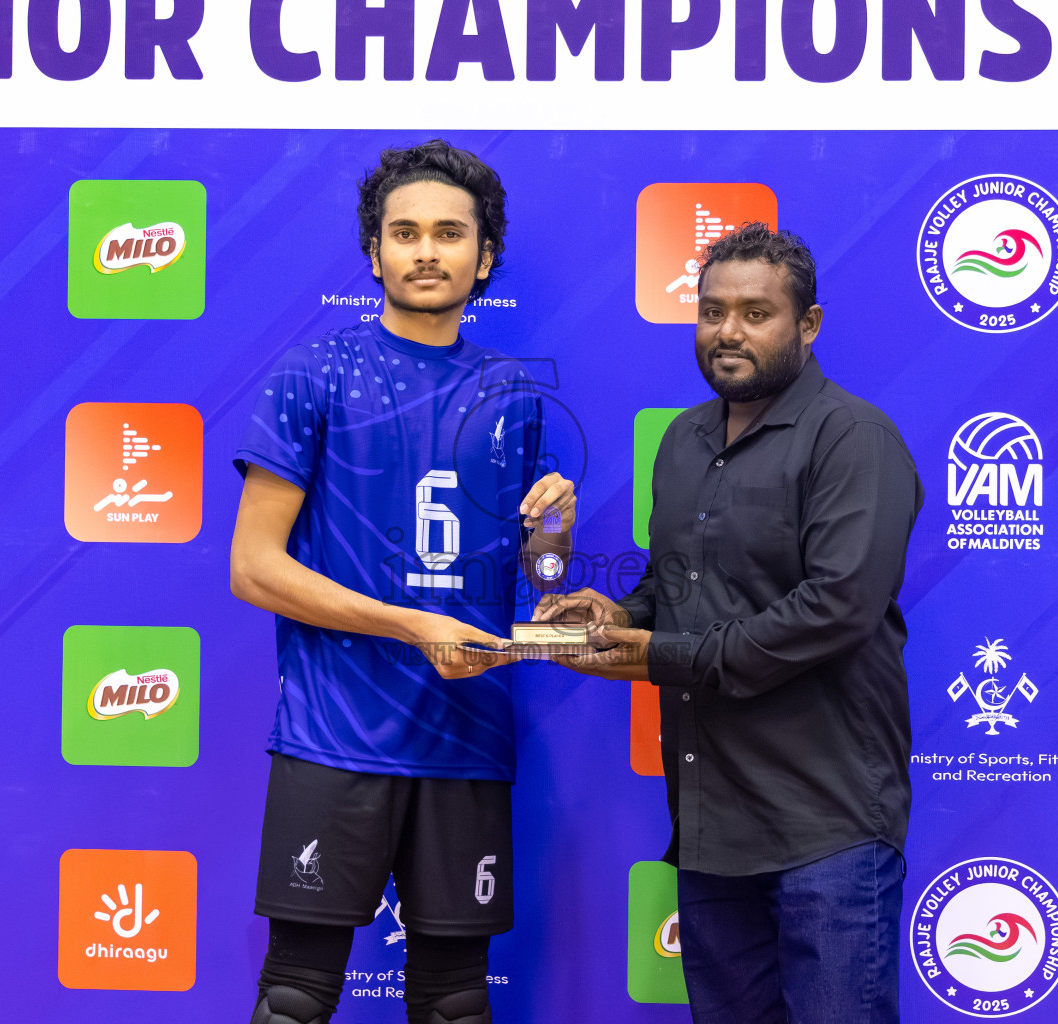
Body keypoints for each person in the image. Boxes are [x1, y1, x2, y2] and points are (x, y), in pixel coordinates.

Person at [230, 140, 575, 1024]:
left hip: (464, 739)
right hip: (332, 736)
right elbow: (255, 568)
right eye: (405, 232)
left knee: (456, 1004)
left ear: (484, 256)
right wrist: (411, 626)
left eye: (450, 234)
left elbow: (539, 581)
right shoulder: (313, 375)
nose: (427, 251)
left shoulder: (515, 395)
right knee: (295, 1000)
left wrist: (552, 536)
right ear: (374, 252)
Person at [543, 223, 922, 1024]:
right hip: (713, 826)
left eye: (756, 313)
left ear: (807, 325)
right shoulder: (683, 441)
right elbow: (675, 584)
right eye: (712, 312)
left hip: (828, 826)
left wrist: (661, 652)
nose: (728, 332)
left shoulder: (855, 438)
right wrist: (617, 615)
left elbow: (836, 608)